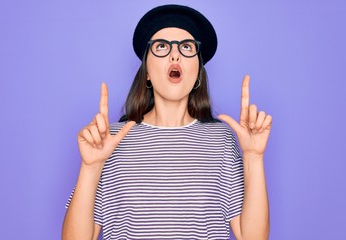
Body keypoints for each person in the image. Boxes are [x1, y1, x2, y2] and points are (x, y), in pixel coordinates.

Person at [62, 4, 272, 240]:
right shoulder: (109, 141)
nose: (175, 54)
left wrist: (254, 157)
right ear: (147, 72)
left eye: (186, 47)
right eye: (161, 46)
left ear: (197, 74)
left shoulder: (221, 139)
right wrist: (91, 167)